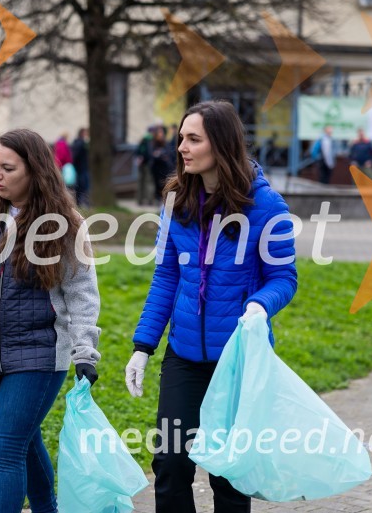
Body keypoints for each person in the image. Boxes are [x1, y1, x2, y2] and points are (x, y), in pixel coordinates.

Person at [124, 101, 298, 513]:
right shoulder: (176, 200)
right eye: (181, 138)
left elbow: (284, 278)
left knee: (227, 475)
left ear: (220, 144)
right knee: (170, 463)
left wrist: (260, 305)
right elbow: (166, 277)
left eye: (193, 139)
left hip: (237, 358)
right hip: (183, 356)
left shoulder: (266, 206)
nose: (181, 147)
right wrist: (143, 346)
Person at [0, 128, 101, 513]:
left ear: (34, 171)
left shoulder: (65, 223)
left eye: (7, 168)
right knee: (25, 442)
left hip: (40, 353)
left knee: (7, 446)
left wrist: (85, 351)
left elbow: (82, 292)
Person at [71, 127, 91, 207]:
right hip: (82, 168)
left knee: (80, 186)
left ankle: (80, 202)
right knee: (83, 186)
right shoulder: (81, 143)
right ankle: (82, 202)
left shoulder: (76, 142)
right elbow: (76, 156)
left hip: (80, 168)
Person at [135, 127, 154, 205]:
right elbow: (150, 153)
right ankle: (150, 200)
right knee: (148, 182)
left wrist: (139, 158)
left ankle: (139, 200)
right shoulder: (151, 140)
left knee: (140, 182)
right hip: (147, 164)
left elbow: (137, 151)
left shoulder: (142, 139)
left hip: (141, 163)